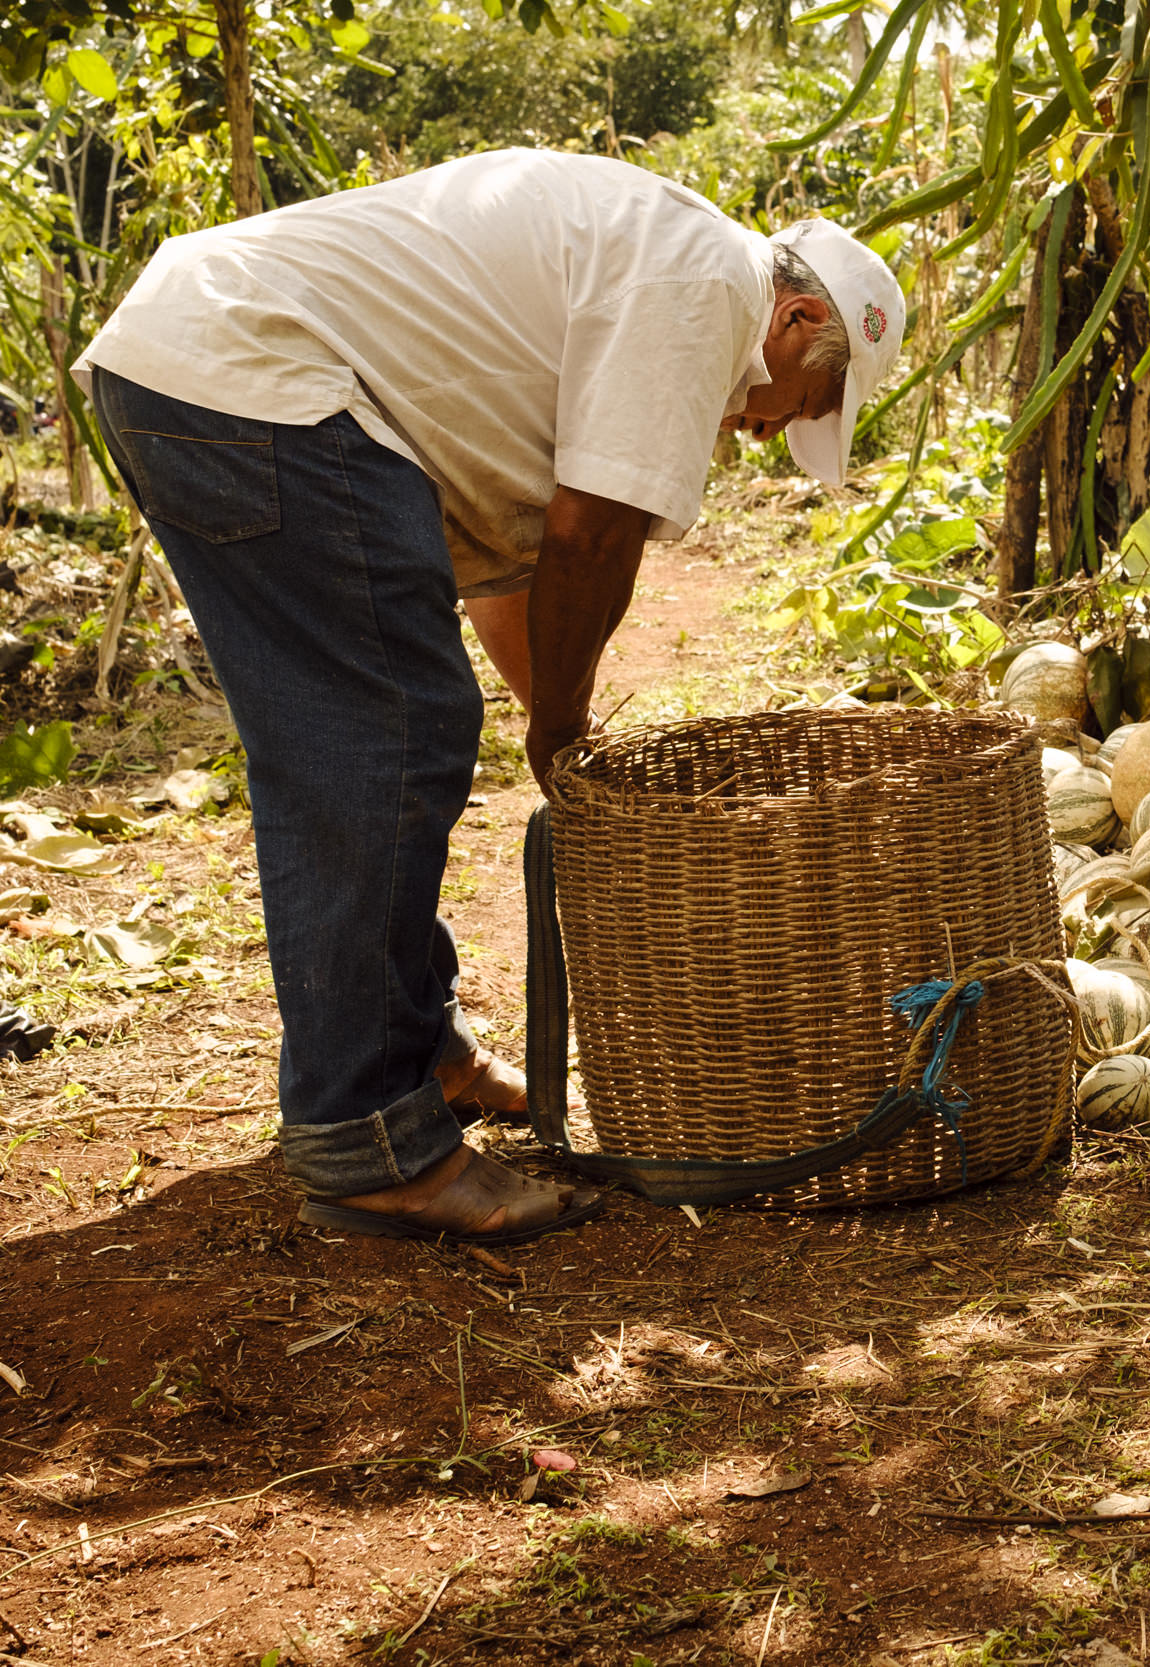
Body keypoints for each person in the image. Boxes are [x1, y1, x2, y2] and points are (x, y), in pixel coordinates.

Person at [75, 149, 907, 1246]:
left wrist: (566, 740)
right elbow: (591, 535)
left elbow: (511, 573)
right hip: (253, 371)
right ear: (797, 320)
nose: (774, 428)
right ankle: (370, 1145)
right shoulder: (705, 285)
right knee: (383, 734)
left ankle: (421, 1058)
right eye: (810, 402)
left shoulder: (656, 257)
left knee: (376, 729)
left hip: (189, 361)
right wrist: (558, 723)